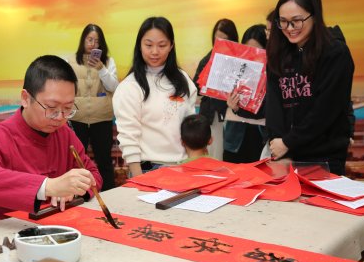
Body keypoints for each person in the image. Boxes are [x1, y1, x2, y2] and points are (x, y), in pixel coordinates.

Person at [266, 0, 361, 262]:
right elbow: (274, 101)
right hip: (288, 157)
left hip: (323, 157)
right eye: (283, 22)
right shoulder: (281, 51)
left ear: (315, 16)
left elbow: (326, 110)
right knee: (292, 238)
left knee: (328, 244)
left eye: (297, 21)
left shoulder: (335, 53)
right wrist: (277, 141)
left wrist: (288, 142)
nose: (289, 29)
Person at [0, 55, 102, 225]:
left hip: (54, 228)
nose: (60, 117)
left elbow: (92, 174)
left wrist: (74, 190)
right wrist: (48, 186)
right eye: (51, 107)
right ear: (25, 98)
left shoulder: (64, 134)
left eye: (68, 108)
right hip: (3, 232)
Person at [113, 16, 197, 177]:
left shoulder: (183, 80)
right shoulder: (130, 86)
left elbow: (191, 129)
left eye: (162, 45)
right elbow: (128, 136)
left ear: (171, 45)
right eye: (149, 45)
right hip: (148, 170)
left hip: (183, 168)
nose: (155, 52)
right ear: (139, 45)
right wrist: (139, 179)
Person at [67, 24, 118, 191]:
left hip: (101, 117)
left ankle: (109, 194)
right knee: (76, 161)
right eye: (89, 39)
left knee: (104, 160)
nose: (92, 44)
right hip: (77, 117)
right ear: (83, 40)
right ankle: (79, 194)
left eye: (96, 41)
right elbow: (66, 86)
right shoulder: (71, 61)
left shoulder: (108, 62)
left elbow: (113, 87)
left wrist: (101, 68)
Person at [193, 19, 239, 161]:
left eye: (224, 39)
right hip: (212, 117)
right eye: (217, 39)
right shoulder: (207, 59)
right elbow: (196, 87)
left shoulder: (240, 59)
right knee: (214, 157)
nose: (220, 42)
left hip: (234, 116)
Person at [223, 24, 268, 163]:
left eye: (258, 50)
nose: (252, 55)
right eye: (248, 49)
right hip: (235, 138)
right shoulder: (235, 69)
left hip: (261, 137)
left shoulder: (274, 73)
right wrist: (232, 104)